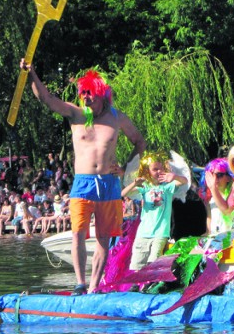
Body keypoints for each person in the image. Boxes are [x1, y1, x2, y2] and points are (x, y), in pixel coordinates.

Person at [21, 59, 146, 295]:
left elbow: (140, 142)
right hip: (83, 183)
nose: (86, 97)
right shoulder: (76, 114)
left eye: (90, 94)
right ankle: (80, 283)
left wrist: (127, 168)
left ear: (102, 95)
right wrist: (32, 75)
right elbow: (46, 99)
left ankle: (93, 286)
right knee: (78, 232)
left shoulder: (118, 118)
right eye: (83, 93)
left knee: (103, 237)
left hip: (109, 183)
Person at [121, 151, 187, 271]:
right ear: (147, 171)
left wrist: (174, 177)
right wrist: (134, 184)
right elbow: (124, 193)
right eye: (155, 169)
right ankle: (137, 284)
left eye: (161, 169)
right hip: (143, 232)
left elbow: (184, 181)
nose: (159, 172)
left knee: (153, 262)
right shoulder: (144, 187)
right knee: (137, 264)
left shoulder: (167, 187)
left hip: (160, 232)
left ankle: (149, 284)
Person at [199, 158, 234, 235]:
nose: (215, 179)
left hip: (229, 235)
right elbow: (209, 218)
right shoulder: (209, 197)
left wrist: (213, 188)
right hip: (214, 236)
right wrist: (207, 233)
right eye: (212, 175)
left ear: (228, 177)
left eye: (219, 175)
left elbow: (227, 212)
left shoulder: (232, 195)